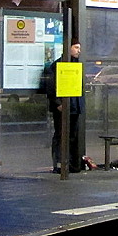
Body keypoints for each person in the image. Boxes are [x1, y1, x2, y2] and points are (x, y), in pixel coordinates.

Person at [42, 41, 85, 174]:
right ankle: (60, 164)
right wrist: (58, 103)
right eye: (76, 47)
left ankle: (71, 164)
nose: (79, 51)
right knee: (61, 135)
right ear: (69, 48)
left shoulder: (76, 65)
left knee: (72, 136)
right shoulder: (57, 65)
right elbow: (51, 86)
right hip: (64, 107)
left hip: (74, 106)